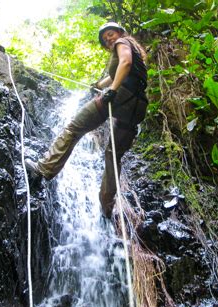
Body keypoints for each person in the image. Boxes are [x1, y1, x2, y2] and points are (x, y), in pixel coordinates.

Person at [26, 22, 148, 218]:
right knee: (113, 155)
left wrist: (112, 91)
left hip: (121, 96)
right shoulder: (136, 51)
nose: (108, 39)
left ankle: (44, 169)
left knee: (75, 128)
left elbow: (125, 63)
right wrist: (99, 85)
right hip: (137, 106)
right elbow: (120, 73)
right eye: (105, 38)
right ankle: (107, 206)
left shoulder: (122, 43)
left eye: (110, 34)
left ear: (119, 33)